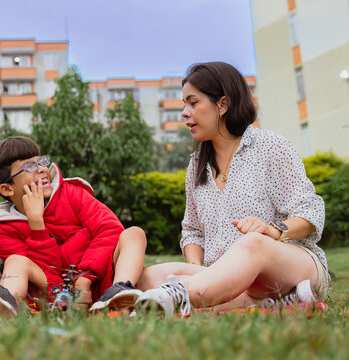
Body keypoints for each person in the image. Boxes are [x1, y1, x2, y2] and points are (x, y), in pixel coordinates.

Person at [135, 62, 330, 317]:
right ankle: (267, 303)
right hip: (228, 279)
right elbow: (192, 231)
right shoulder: (196, 166)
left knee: (253, 244)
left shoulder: (269, 146)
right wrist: (197, 266)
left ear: (223, 105)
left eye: (193, 103)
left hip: (290, 266)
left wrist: (272, 230)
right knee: (150, 277)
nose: (184, 112)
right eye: (184, 104)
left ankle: (180, 295)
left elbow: (310, 210)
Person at [0, 136, 146, 315]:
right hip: (52, 294)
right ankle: (5, 303)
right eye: (30, 167)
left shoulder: (72, 193)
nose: (42, 169)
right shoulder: (2, 231)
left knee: (134, 234)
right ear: (7, 188)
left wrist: (85, 280)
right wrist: (37, 225)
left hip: (102, 281)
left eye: (41, 161)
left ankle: (119, 292)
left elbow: (110, 230)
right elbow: (49, 274)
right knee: (16, 261)